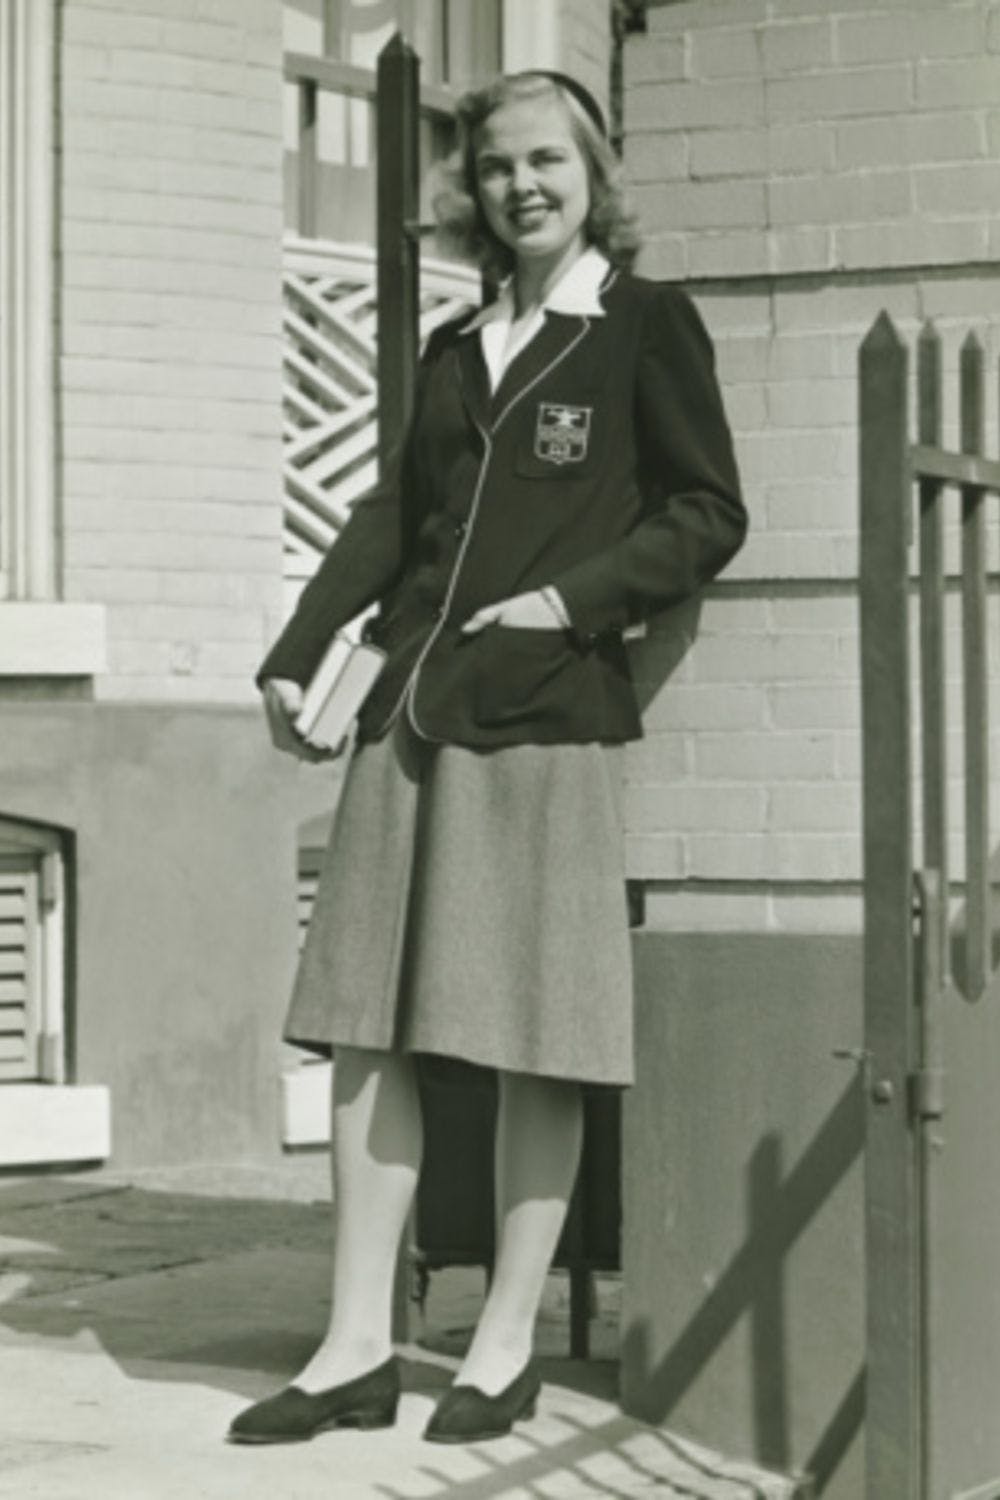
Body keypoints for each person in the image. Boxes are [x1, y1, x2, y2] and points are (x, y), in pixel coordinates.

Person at [229, 69, 746, 1447]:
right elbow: (394, 512)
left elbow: (708, 514)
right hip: (408, 715)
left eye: (547, 161)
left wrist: (567, 603)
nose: (521, 185)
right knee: (364, 1032)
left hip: (544, 717)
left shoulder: (643, 326)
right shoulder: (456, 345)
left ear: (594, 175)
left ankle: (505, 1343)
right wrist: (297, 648)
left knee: (534, 1040)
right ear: (473, 190)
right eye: (499, 166)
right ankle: (354, 1347)